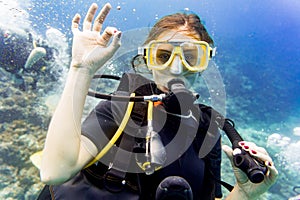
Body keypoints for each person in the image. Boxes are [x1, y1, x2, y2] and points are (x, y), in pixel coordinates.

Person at [39, 2, 278, 200]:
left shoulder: (208, 128)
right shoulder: (125, 106)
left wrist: (244, 194)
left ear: (203, 65)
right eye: (163, 56)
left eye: (190, 57)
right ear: (147, 60)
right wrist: (81, 69)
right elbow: (54, 171)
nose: (175, 68)